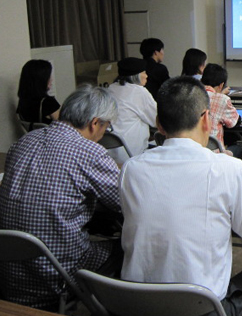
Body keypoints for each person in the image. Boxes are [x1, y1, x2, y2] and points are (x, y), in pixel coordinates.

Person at [119, 76, 242, 316]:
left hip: (137, 304)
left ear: (159, 124)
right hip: (202, 309)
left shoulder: (131, 169)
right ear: (206, 119)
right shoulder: (228, 168)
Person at [0, 85, 121, 310]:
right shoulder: (89, 152)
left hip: (10, 276)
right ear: (95, 123)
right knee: (122, 246)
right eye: (106, 126)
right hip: (58, 278)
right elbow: (124, 203)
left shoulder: (22, 142)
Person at [108, 57, 157, 163]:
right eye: (144, 72)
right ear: (136, 75)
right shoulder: (139, 92)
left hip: (110, 153)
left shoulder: (111, 88)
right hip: (132, 154)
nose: (147, 76)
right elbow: (157, 120)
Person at [201, 63, 242, 158]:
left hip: (195, 152)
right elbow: (234, 122)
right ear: (221, 85)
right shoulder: (222, 99)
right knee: (240, 148)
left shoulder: (191, 95)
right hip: (216, 154)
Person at [16, 59, 61, 125]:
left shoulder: (22, 101)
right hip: (49, 135)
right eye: (49, 76)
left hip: (32, 134)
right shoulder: (48, 102)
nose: (51, 79)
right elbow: (65, 125)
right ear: (42, 80)